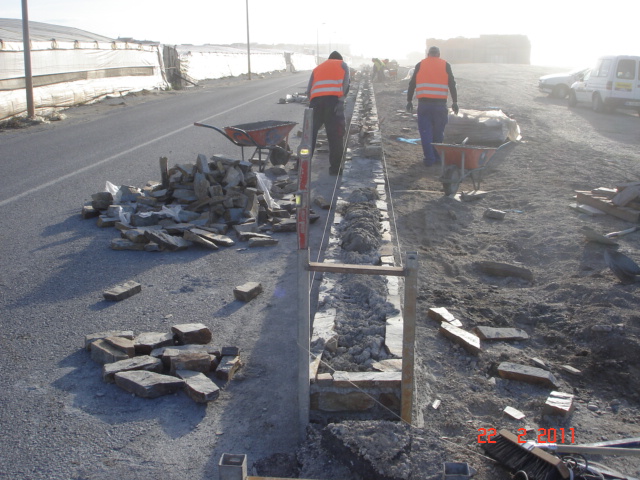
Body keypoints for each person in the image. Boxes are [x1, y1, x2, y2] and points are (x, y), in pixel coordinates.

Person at [406, 46, 459, 167]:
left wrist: (409, 100)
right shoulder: (446, 65)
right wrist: (455, 102)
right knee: (438, 132)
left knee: (425, 132)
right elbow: (452, 84)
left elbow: (412, 83)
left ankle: (429, 159)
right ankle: (437, 157)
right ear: (439, 54)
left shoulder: (420, 64)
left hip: (424, 105)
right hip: (440, 105)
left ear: (428, 54)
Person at [307, 51, 350, 175]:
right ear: (339, 59)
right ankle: (335, 169)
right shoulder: (342, 64)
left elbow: (309, 90)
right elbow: (346, 84)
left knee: (309, 135)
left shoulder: (317, 68)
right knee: (335, 136)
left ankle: (302, 165)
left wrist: (314, 103)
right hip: (333, 103)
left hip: (316, 103)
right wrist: (341, 101)